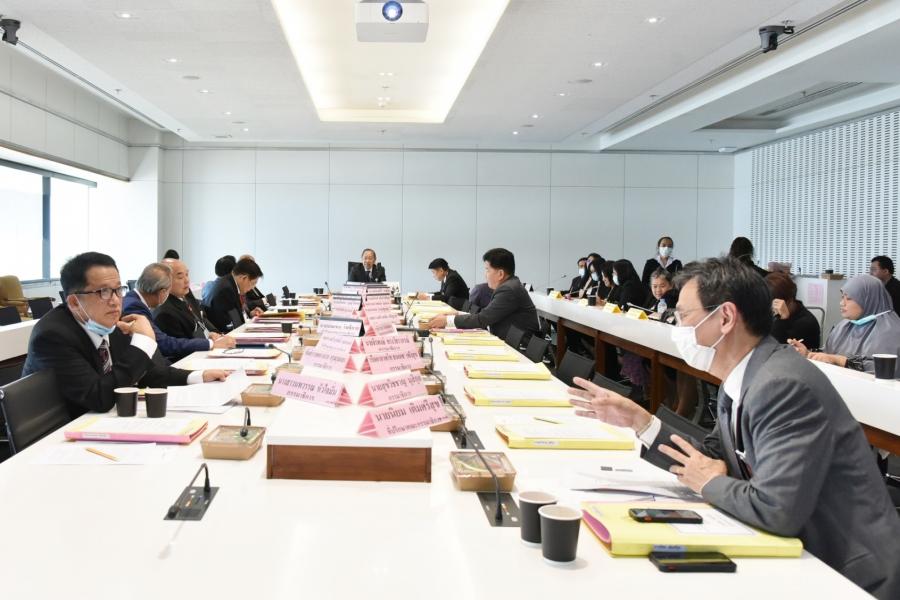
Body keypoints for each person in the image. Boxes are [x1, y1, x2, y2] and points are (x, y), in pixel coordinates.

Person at [568, 257, 900, 599]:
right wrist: (642, 422)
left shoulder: (782, 385)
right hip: (798, 555)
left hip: (849, 574)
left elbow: (776, 509)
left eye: (684, 316)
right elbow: (713, 455)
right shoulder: (745, 374)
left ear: (725, 317)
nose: (678, 328)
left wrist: (711, 482)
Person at [21, 252, 226, 418]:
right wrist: (143, 342)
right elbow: (100, 397)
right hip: (59, 435)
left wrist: (197, 376)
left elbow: (148, 373)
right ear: (74, 302)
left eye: (118, 289)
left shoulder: (107, 322)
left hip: (99, 423)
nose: (115, 300)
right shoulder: (53, 336)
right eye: (103, 292)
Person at [789, 275, 900, 377]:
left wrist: (839, 361)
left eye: (849, 298)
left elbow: (885, 371)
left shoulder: (890, 331)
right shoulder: (844, 325)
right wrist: (808, 353)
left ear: (868, 299)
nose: (842, 303)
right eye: (842, 297)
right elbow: (828, 354)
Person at [122, 263, 226, 363]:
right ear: (162, 292)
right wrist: (210, 344)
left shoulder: (134, 300)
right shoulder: (134, 307)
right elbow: (164, 344)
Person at [427, 248, 539, 340]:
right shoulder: (510, 285)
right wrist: (456, 314)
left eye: (487, 270)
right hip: (507, 341)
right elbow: (486, 314)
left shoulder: (508, 290)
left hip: (517, 349)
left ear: (500, 274)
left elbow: (483, 319)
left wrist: (448, 321)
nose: (485, 275)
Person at [155, 259, 236, 354]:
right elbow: (182, 348)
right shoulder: (165, 312)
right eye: (180, 277)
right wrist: (209, 342)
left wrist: (212, 334)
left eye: (187, 274)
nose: (187, 280)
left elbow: (201, 319)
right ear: (165, 281)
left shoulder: (186, 295)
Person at [206, 258, 264, 332]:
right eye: (253, 283)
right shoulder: (226, 290)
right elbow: (231, 326)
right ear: (244, 278)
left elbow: (236, 317)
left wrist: (250, 314)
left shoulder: (229, 283)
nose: (252, 288)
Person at [765, 272, 820, 349]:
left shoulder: (806, 323)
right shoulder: (772, 315)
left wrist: (782, 320)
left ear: (788, 301)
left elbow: (776, 347)